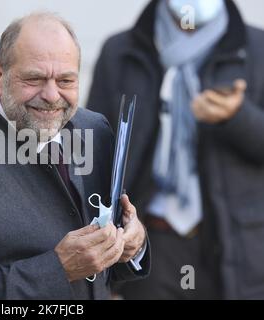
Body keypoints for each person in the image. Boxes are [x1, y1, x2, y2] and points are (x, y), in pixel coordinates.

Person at [0, 12, 150, 300]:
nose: (51, 94)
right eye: (34, 78)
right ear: (0, 75)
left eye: (66, 80)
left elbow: (105, 267)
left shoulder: (95, 130)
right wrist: (58, 269)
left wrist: (135, 242)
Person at [87, 0, 264, 299]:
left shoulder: (256, 49)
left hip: (232, 244)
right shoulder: (120, 51)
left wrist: (238, 117)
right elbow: (94, 156)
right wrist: (106, 274)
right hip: (151, 240)